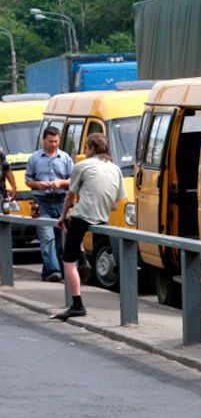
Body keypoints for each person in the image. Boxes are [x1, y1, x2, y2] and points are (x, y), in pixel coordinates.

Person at [50, 133, 126, 320]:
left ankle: (77, 304)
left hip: (83, 217)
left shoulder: (82, 165)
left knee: (67, 259)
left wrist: (61, 216)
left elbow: (70, 196)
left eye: (86, 148)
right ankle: (83, 257)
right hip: (103, 217)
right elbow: (116, 203)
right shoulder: (116, 168)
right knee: (74, 223)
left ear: (90, 148)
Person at [25, 127, 74, 282]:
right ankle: (54, 272)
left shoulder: (65, 158)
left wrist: (60, 183)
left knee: (61, 241)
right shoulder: (34, 158)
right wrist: (38, 184)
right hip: (42, 202)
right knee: (47, 238)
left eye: (56, 141)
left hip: (61, 202)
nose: (54, 144)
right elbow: (28, 180)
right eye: (50, 141)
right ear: (43, 141)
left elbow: (73, 181)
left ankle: (51, 271)